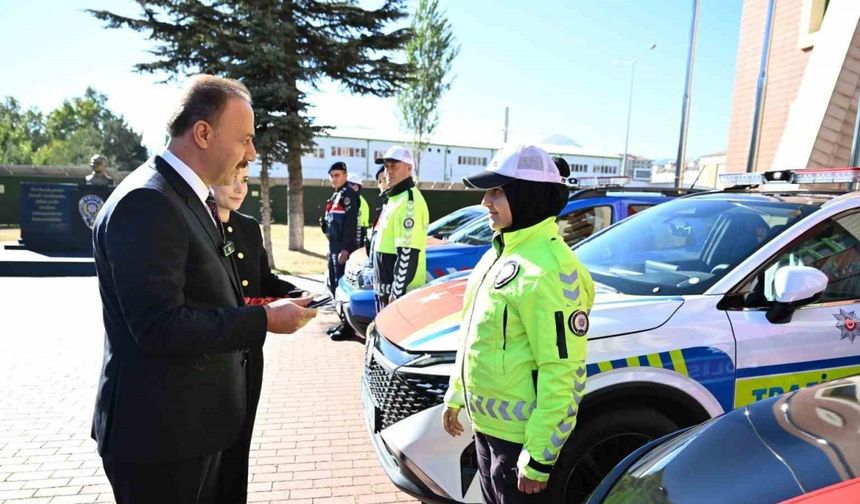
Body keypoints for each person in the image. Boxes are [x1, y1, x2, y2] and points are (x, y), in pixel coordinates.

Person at [91, 74, 317, 504]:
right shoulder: (148, 202)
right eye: (245, 140)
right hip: (161, 441)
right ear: (203, 133)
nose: (251, 153)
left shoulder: (182, 196)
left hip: (192, 429)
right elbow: (159, 326)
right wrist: (264, 319)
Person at [441, 144, 594, 503]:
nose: (485, 203)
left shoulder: (551, 269)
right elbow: (474, 338)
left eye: (497, 191)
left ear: (528, 194)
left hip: (520, 440)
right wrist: (456, 395)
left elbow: (564, 372)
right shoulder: (499, 253)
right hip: (487, 429)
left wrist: (540, 456)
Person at [371, 145, 429, 310]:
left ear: (409, 168)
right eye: (386, 166)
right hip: (385, 290)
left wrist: (397, 292)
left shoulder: (409, 202)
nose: (388, 171)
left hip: (398, 296)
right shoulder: (394, 198)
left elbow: (407, 253)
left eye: (394, 166)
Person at [321, 161, 360, 340]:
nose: (333, 179)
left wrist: (345, 249)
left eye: (337, 175)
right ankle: (342, 322)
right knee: (334, 285)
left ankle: (347, 327)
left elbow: (350, 225)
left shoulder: (348, 195)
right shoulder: (336, 195)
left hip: (343, 248)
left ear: (345, 175)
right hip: (334, 246)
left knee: (342, 285)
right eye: (331, 176)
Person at [347, 172, 370, 249]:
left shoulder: (358, 201)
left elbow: (358, 228)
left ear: (356, 187)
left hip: (358, 234)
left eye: (347, 185)